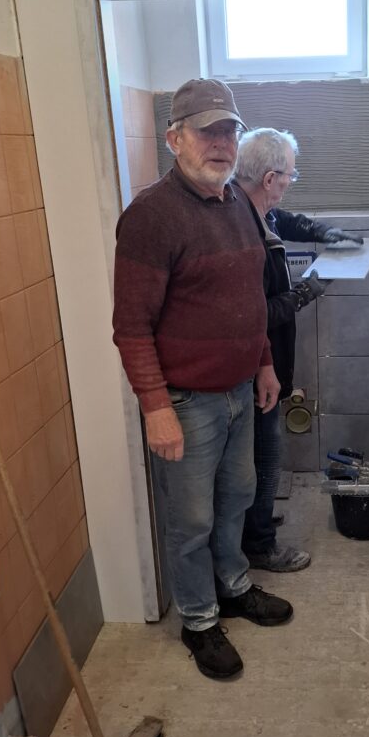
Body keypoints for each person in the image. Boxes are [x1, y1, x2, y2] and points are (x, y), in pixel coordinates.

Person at [112, 80, 293, 682]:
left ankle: (233, 587)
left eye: (229, 131)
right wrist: (155, 407)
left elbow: (249, 298)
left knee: (237, 497)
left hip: (240, 391)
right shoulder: (150, 217)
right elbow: (131, 327)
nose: (220, 143)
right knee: (191, 520)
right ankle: (198, 619)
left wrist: (263, 362)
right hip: (186, 402)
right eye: (206, 131)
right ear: (174, 139)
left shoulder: (236, 201)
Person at [233, 128, 364, 572]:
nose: (291, 181)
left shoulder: (253, 209)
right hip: (254, 366)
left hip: (265, 359)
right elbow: (256, 313)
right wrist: (306, 292)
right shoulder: (241, 229)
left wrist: (326, 232)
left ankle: (255, 521)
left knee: (260, 456)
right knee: (265, 457)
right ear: (270, 179)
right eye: (290, 174)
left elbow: (285, 220)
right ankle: (259, 544)